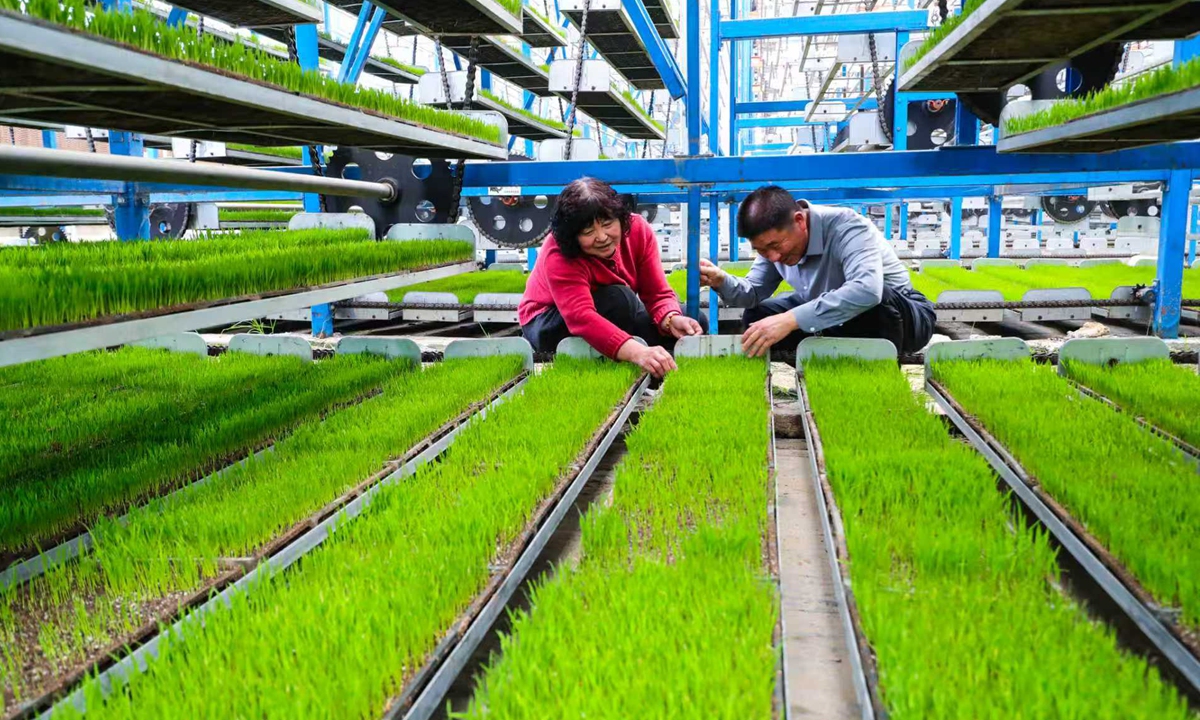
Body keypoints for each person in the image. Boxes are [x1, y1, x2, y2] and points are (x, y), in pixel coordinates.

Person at [700, 185, 935, 357]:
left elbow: (868, 291)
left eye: (775, 246)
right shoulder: (773, 247)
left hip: (903, 316)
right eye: (761, 250)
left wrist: (790, 319)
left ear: (800, 220)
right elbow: (752, 293)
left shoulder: (847, 226)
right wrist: (721, 280)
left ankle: (879, 379)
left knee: (876, 299)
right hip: (836, 318)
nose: (773, 257)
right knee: (759, 317)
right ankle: (814, 371)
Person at [519, 177, 703, 377]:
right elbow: (581, 317)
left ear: (621, 218)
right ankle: (619, 361)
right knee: (620, 300)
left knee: (691, 321)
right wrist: (638, 352)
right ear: (572, 236)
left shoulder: (638, 230)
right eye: (588, 231)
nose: (602, 237)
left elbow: (656, 292)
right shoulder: (559, 251)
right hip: (549, 321)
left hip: (614, 313)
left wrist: (670, 319)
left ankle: (635, 353)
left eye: (607, 224)